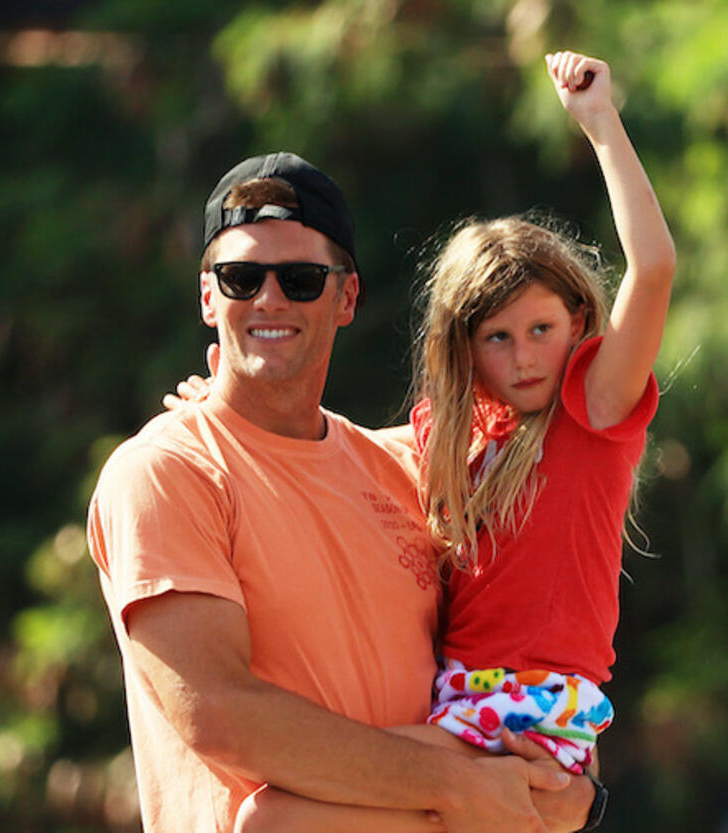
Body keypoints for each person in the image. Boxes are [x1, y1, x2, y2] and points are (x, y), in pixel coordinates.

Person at [176, 50, 676, 833]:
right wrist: (223, 406)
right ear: (465, 350)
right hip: (460, 703)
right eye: (498, 339)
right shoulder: (454, 444)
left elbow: (653, 269)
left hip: (530, 713)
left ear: (578, 322)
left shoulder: (591, 415)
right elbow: (331, 448)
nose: (524, 357)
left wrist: (601, 124)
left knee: (270, 822)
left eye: (542, 330)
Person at [88, 144, 598, 831]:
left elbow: (527, 624)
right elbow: (218, 711)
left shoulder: (414, 470)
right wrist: (459, 786)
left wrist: (579, 787)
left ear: (347, 295)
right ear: (209, 297)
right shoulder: (168, 472)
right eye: (241, 277)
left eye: (300, 277)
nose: (269, 297)